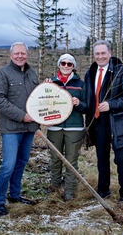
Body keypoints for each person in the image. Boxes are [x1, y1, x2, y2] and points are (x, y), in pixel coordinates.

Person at [84, 40, 123, 203]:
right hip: (98, 123)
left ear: (110, 53)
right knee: (102, 158)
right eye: (97, 54)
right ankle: (103, 190)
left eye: (103, 53)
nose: (100, 56)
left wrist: (111, 105)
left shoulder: (122, 71)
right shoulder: (90, 72)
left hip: (117, 122)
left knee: (121, 158)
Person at [0, 42, 40, 216]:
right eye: (17, 53)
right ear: (10, 55)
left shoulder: (32, 73)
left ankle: (15, 194)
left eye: (23, 53)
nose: (20, 56)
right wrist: (22, 116)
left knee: (21, 163)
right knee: (8, 165)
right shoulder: (3, 74)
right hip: (11, 128)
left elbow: (39, 97)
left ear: (27, 54)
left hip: (29, 128)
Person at [45, 53, 87, 202]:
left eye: (70, 64)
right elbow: (42, 104)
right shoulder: (50, 83)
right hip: (54, 127)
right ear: (59, 65)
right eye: (63, 63)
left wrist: (79, 104)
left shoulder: (81, 84)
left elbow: (87, 107)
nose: (66, 66)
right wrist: (45, 89)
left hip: (74, 128)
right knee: (55, 158)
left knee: (71, 160)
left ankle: (69, 190)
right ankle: (55, 187)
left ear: (73, 67)